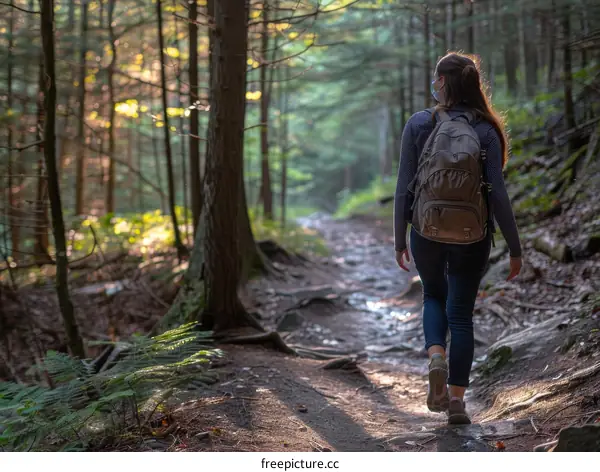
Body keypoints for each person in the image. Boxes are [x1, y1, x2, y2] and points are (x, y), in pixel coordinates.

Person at [393, 52, 523, 425]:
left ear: (443, 82)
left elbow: (404, 186)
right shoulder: (486, 129)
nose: (434, 86)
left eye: (436, 80)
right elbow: (497, 193)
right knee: (462, 314)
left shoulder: (420, 123)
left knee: (434, 295)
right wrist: (515, 248)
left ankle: (436, 355)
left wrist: (399, 238)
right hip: (473, 234)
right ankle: (456, 402)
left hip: (426, 229)